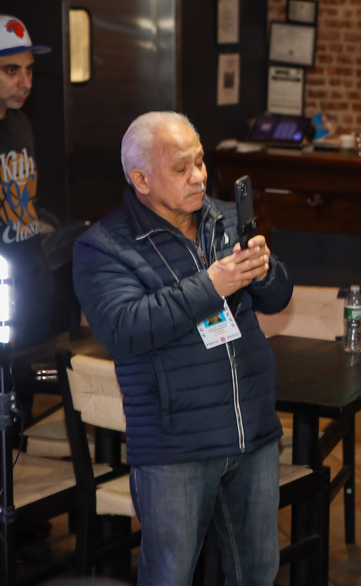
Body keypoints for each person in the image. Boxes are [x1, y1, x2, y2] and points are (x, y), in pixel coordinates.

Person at [73, 112, 293, 586]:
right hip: (175, 445)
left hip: (252, 432)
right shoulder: (103, 246)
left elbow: (277, 298)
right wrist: (212, 285)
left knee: (258, 572)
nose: (198, 177)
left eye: (200, 162)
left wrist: (265, 269)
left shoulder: (225, 219)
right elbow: (124, 329)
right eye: (181, 168)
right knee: (170, 576)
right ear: (141, 180)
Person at [0, 14, 57, 348]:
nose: (26, 83)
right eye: (11, 71)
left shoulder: (21, 123)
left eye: (29, 70)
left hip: (33, 283)